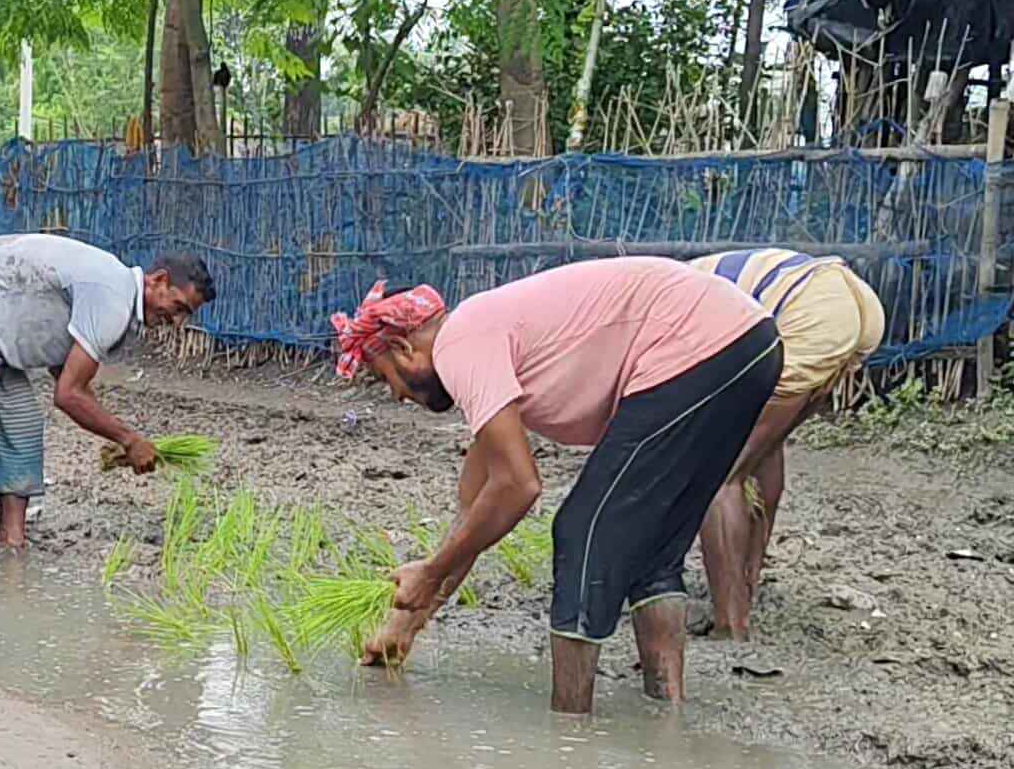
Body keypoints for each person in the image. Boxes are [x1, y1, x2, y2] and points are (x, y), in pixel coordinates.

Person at [337, 258, 781, 713]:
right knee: (653, 552)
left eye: (382, 374)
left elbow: (519, 486)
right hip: (752, 345)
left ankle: (570, 731)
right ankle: (667, 713)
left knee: (583, 530)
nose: (395, 395)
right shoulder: (486, 336)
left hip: (701, 345)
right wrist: (407, 624)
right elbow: (475, 512)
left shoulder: (460, 343)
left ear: (404, 348)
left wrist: (429, 573)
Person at [0, 234, 215, 587]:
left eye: (185, 315)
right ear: (158, 280)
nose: (177, 321)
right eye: (178, 307)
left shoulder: (117, 298)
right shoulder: (114, 299)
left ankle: (12, 543)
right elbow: (68, 395)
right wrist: (129, 439)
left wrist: (118, 435)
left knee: (22, 426)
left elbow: (70, 378)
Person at [688, 249, 885, 639]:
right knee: (764, 446)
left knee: (720, 473)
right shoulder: (684, 279)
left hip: (811, 309)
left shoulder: (661, 304)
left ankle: (731, 624)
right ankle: (747, 585)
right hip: (853, 301)